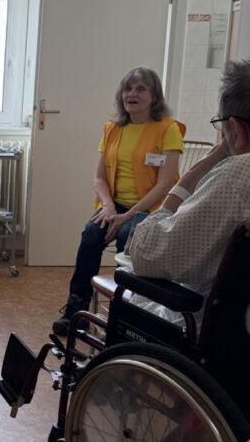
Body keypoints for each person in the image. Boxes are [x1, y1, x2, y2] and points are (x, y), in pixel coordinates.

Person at [53, 67, 184, 335]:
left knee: (128, 237)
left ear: (154, 96)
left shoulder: (167, 128)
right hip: (115, 206)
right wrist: (109, 207)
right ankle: (76, 307)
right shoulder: (112, 129)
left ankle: (124, 316)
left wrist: (127, 216)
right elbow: (99, 178)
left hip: (152, 208)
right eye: (128, 88)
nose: (131, 94)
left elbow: (165, 184)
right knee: (91, 235)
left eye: (140, 89)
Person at [128, 60, 250, 298]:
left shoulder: (236, 176)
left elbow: (144, 252)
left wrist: (192, 175)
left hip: (199, 315)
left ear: (235, 129)